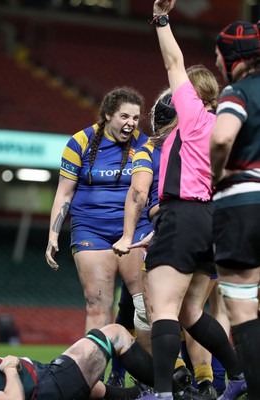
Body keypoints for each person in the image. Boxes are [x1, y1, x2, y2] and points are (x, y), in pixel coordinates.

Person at [129, 1, 247, 400]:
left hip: (183, 215)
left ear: (194, 96)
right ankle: (237, 377)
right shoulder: (235, 129)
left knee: (163, 307)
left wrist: (162, 18)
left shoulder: (193, 116)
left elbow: (173, 61)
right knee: (191, 311)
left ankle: (162, 394)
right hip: (216, 222)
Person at [113, 89, 220, 400]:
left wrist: (128, 236)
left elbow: (139, 193)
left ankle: (171, 382)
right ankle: (210, 382)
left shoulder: (150, 147)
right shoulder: (203, 141)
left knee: (155, 311)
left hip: (169, 229)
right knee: (196, 313)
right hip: (211, 227)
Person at [45, 87, 152, 337]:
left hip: (136, 229)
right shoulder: (80, 141)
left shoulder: (144, 143)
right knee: (96, 307)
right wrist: (53, 235)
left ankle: (149, 374)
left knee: (145, 306)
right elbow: (64, 192)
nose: (131, 123)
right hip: (91, 230)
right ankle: (94, 377)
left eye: (135, 118)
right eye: (124, 116)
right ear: (107, 115)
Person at [210, 19, 260, 400]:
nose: (215, 61)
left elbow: (223, 136)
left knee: (242, 309)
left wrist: (217, 174)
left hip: (242, 204)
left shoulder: (237, 91)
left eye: (218, 55)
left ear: (232, 58)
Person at [0, 323, 156, 400]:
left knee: (94, 387)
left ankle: (136, 396)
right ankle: (175, 391)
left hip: (44, 381)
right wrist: (10, 368)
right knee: (115, 335)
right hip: (47, 387)